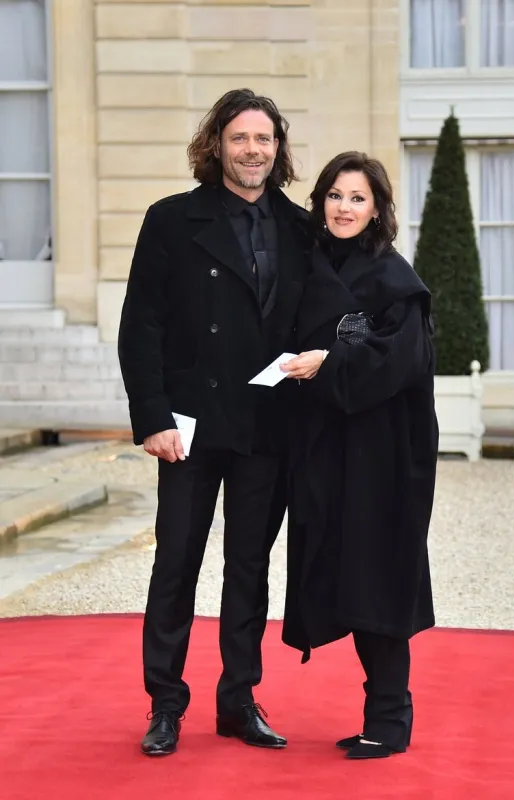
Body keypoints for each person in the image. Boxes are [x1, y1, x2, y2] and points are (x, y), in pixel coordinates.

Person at [118, 89, 310, 756]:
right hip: (189, 426)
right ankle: (165, 704)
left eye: (263, 139)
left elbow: (323, 318)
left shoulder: (300, 227)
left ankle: (238, 702)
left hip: (267, 427)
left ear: (277, 148)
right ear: (217, 145)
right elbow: (140, 324)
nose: (252, 150)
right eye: (240, 139)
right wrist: (151, 416)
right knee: (175, 563)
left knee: (249, 570)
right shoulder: (171, 220)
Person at [280, 151, 438, 760]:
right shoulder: (311, 266)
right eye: (335, 196)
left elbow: (403, 362)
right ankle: (380, 714)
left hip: (384, 455)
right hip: (327, 450)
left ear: (378, 209)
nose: (344, 208)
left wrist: (331, 362)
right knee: (343, 573)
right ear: (321, 202)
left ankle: (391, 719)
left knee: (380, 577)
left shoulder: (396, 279)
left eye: (358, 198)